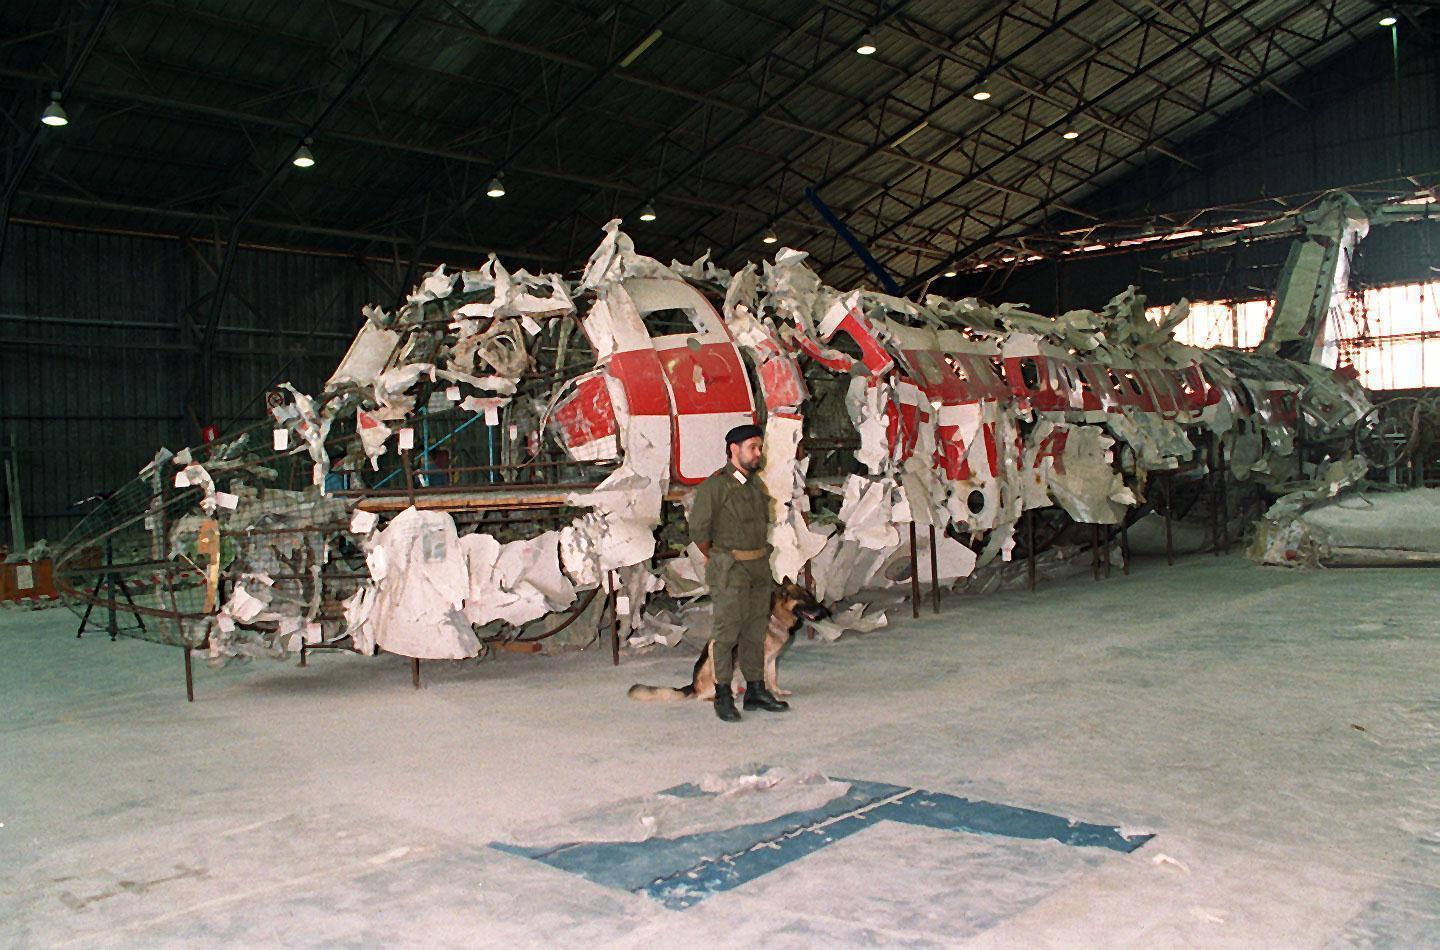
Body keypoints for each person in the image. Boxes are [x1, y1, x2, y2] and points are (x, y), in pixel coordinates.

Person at [687, 423, 789, 723]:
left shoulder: (756, 485)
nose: (758, 453)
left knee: (755, 631)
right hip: (731, 568)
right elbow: (699, 531)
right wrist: (717, 558)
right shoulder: (715, 487)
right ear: (734, 449)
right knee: (726, 633)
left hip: (759, 567)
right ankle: (722, 695)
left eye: (759, 447)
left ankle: (756, 690)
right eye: (752, 448)